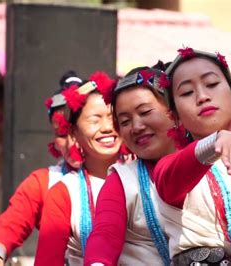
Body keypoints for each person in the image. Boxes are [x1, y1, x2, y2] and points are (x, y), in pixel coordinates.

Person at [152, 47, 231, 265]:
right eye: (187, 93)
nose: (202, 96)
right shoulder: (169, 166)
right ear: (175, 117)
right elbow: (169, 180)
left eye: (211, 84)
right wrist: (215, 141)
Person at [84, 66, 176, 266]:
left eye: (145, 112)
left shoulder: (217, 163)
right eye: (125, 121)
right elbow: (105, 234)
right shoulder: (123, 180)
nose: (136, 126)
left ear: (174, 110)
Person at [0, 71, 83, 265]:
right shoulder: (43, 182)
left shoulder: (124, 171)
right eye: (62, 133)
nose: (71, 141)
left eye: (77, 130)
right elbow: (10, 225)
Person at [34, 72, 121, 265]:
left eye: (113, 117)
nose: (107, 127)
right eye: (95, 120)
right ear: (73, 132)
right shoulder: (63, 191)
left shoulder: (149, 173)